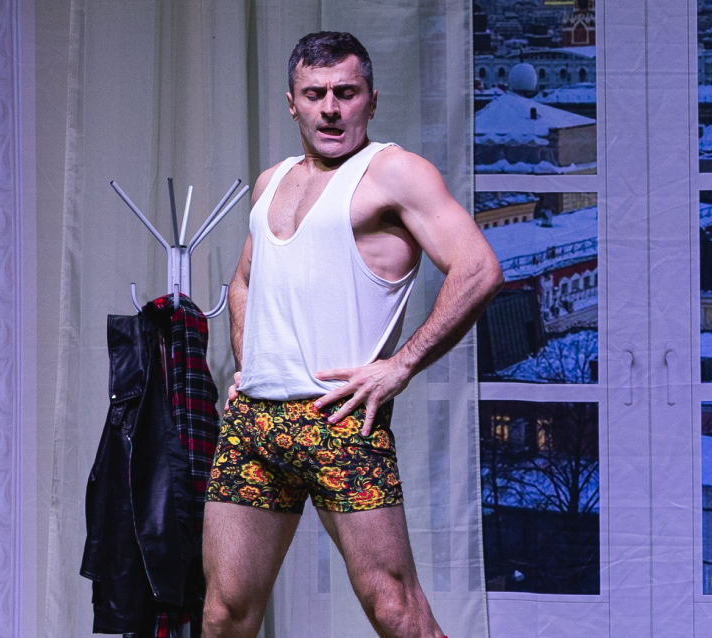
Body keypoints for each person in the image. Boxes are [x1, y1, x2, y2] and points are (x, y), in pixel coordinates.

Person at [202, 31, 503, 638]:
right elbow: (244, 282)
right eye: (315, 94)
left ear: (372, 98)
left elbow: (479, 269)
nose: (331, 108)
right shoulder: (271, 181)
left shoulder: (395, 173)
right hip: (254, 424)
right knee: (223, 613)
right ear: (292, 102)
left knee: (395, 608)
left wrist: (401, 365)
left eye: (346, 92)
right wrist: (249, 365)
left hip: (337, 422)